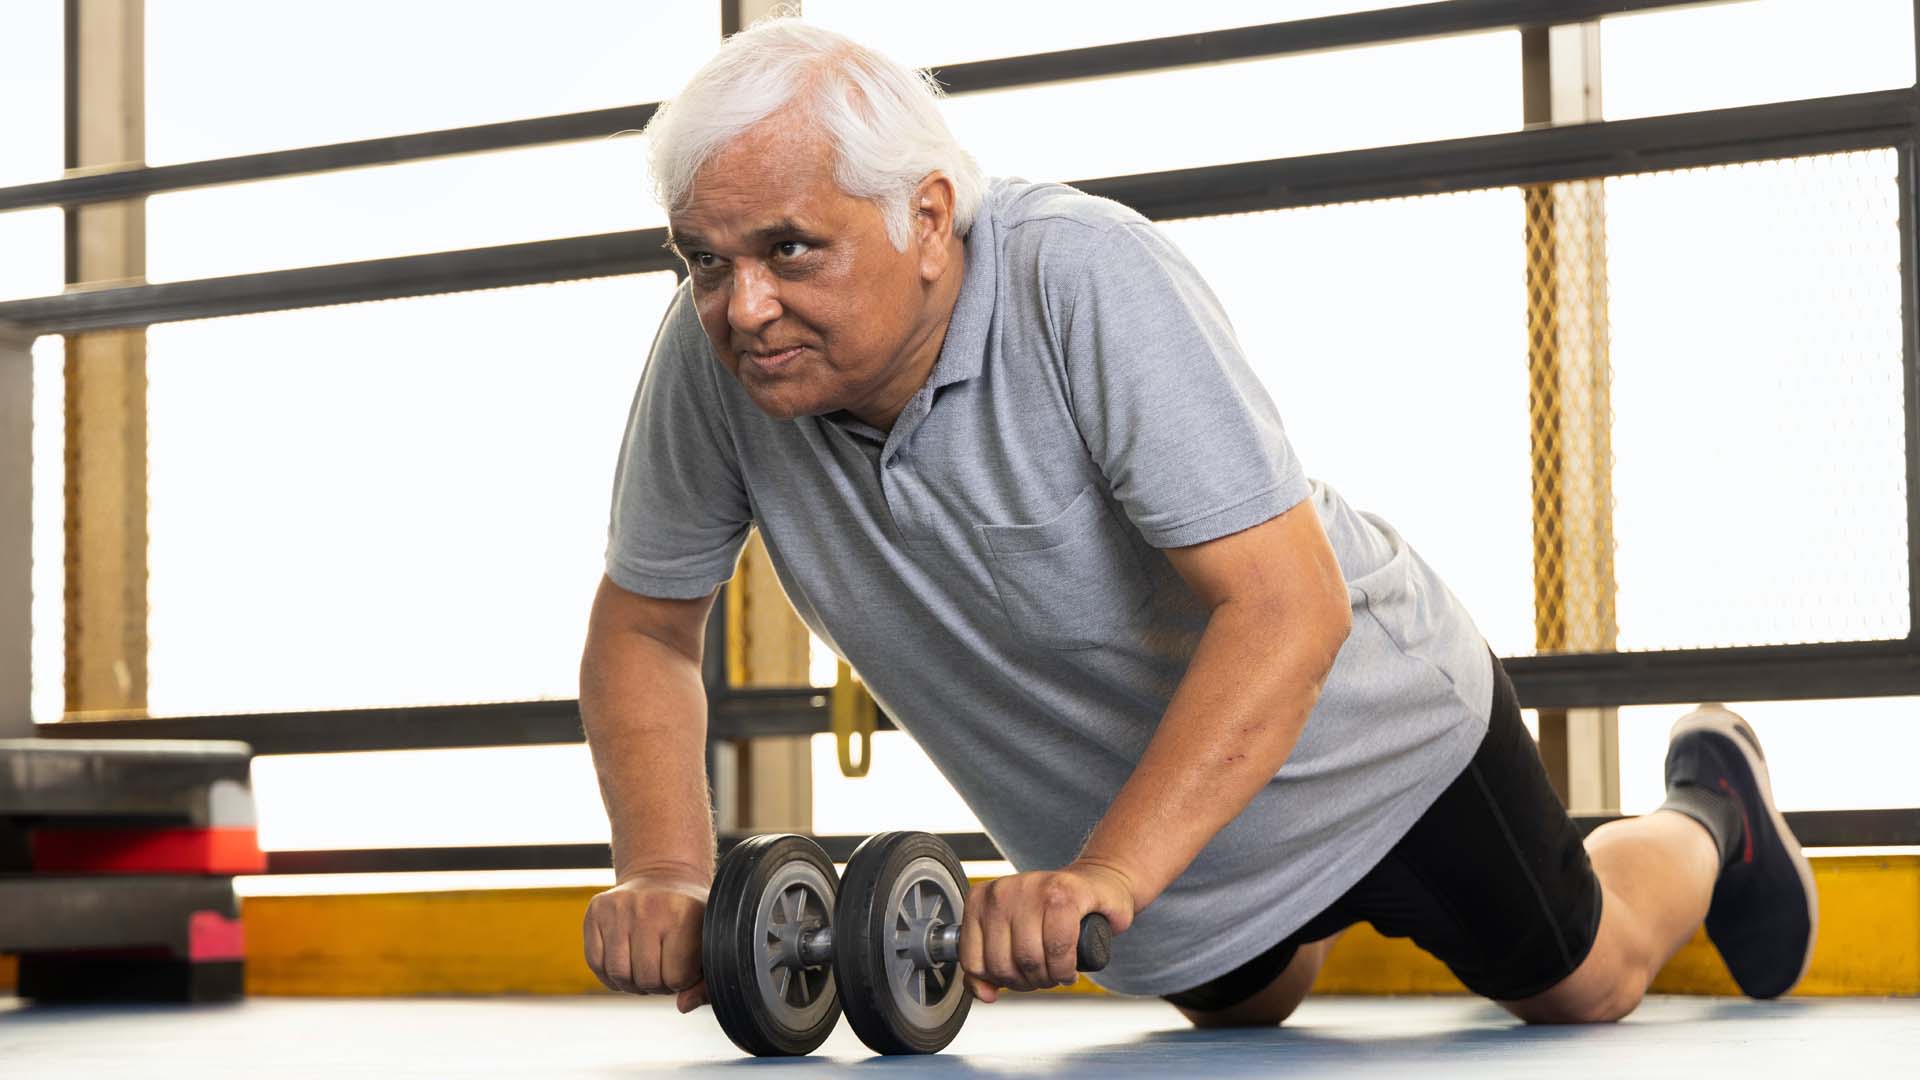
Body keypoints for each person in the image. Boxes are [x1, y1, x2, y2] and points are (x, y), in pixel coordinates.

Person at [577, 17, 1816, 1027]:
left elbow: (1291, 604)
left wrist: (1112, 874)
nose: (742, 307)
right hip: (1160, 813)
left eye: (791, 249)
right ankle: (1288, 927)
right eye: (703, 259)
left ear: (929, 217)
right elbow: (644, 633)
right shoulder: (717, 365)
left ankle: (1710, 810)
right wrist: (669, 873)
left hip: (1371, 743)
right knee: (1244, 1008)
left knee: (1580, 982)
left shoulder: (1082, 277)